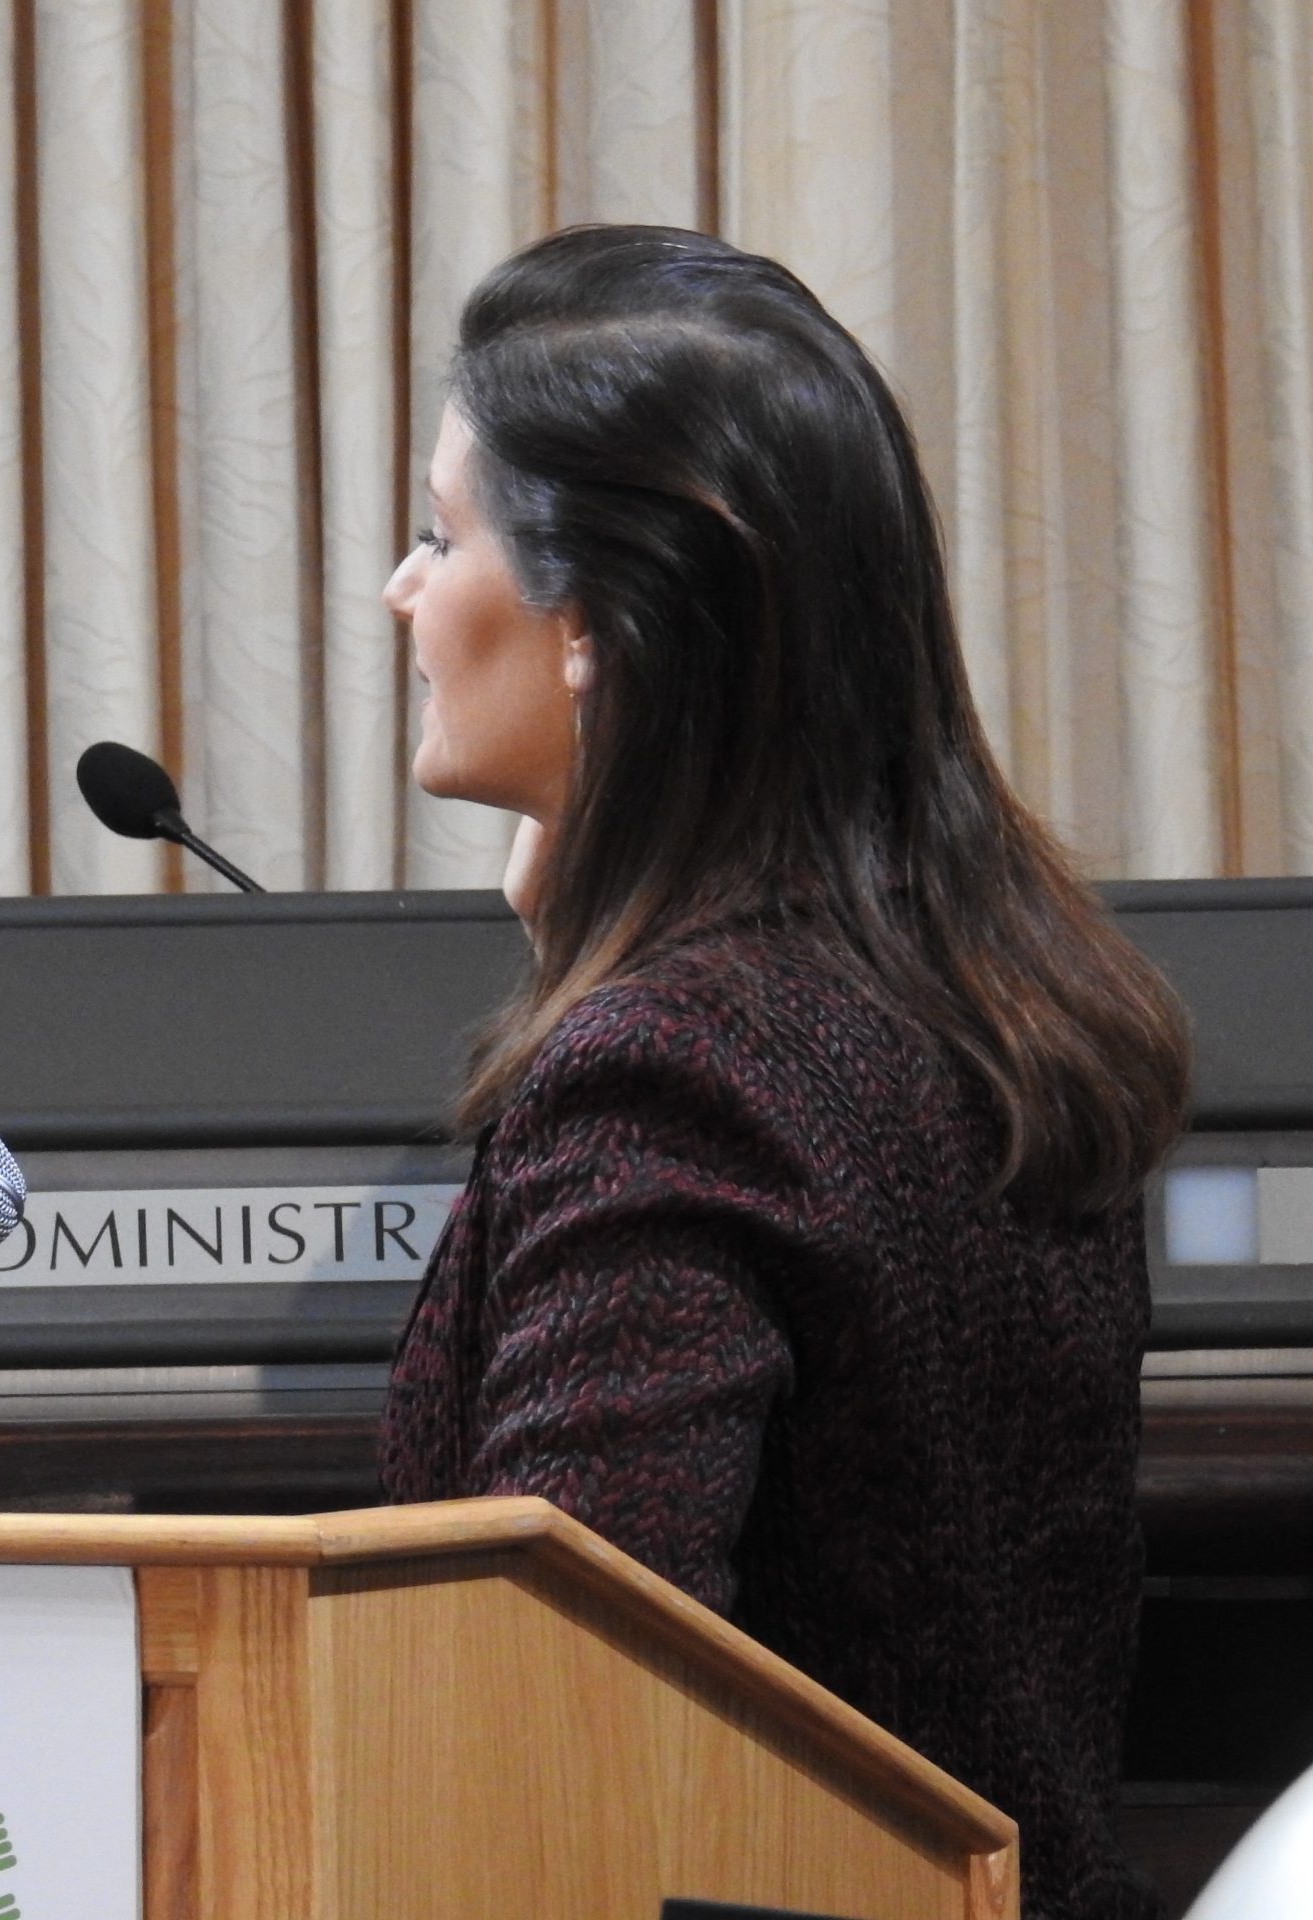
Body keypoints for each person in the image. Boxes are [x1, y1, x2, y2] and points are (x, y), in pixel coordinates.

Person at [374, 226, 1188, 1920]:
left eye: (443, 536)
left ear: (591, 622)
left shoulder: (669, 1069)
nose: (404, 591)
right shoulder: (999, 998)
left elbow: (572, 1725)